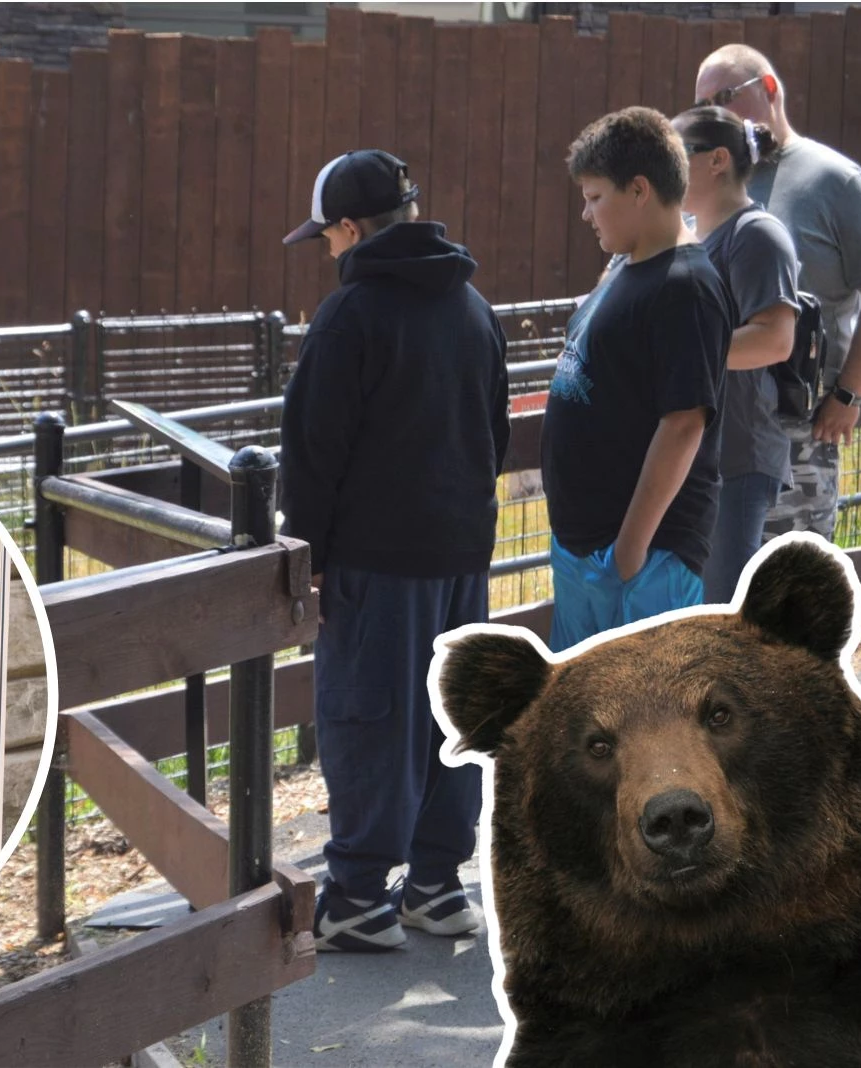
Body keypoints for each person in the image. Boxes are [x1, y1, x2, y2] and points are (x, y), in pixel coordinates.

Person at [279, 149, 510, 952]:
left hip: (376, 557)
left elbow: (313, 452)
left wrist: (305, 559)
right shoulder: (473, 308)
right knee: (452, 716)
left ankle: (356, 895)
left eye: (327, 238)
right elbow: (497, 434)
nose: (329, 252)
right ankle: (437, 884)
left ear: (350, 227)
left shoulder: (351, 316)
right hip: (460, 552)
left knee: (368, 716)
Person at [696, 45, 861, 540]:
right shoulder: (706, 184)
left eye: (725, 97)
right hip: (712, 420)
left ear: (769, 90)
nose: (714, 114)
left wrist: (850, 393)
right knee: (717, 595)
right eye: (703, 104)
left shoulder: (834, 180)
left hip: (797, 426)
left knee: (789, 590)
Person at [543, 107, 734, 651]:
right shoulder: (627, 270)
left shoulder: (686, 287)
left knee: (648, 727)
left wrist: (630, 551)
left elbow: (684, 424)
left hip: (641, 562)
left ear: (640, 190)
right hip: (590, 553)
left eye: (595, 196)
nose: (586, 213)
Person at [672, 106, 800, 603]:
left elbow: (775, 339)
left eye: (677, 155)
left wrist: (679, 352)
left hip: (738, 457)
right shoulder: (687, 231)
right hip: (696, 452)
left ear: (717, 161)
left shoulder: (756, 235)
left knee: (720, 613)